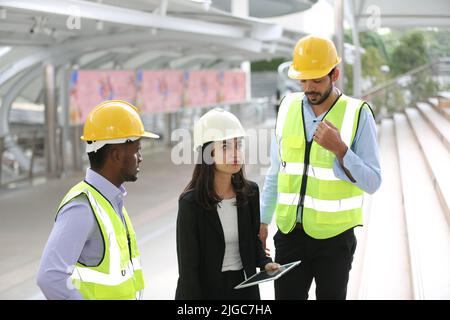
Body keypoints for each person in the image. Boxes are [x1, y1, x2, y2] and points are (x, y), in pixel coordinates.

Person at [259, 35, 382, 300]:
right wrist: (262, 219)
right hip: (290, 235)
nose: (309, 87)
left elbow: (373, 182)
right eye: (303, 80)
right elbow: (275, 171)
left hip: (335, 240)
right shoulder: (287, 107)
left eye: (316, 80)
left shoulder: (358, 113)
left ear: (334, 74)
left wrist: (341, 150)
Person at [37, 100, 159, 300]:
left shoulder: (112, 201)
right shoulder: (82, 207)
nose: (140, 157)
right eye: (137, 149)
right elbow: (49, 276)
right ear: (116, 155)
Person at [175, 108, 279, 300]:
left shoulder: (250, 193)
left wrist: (265, 262)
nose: (235, 153)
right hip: (205, 292)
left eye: (237, 145)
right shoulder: (191, 203)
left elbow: (252, 241)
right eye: (225, 147)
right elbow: (188, 268)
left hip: (243, 287)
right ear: (207, 153)